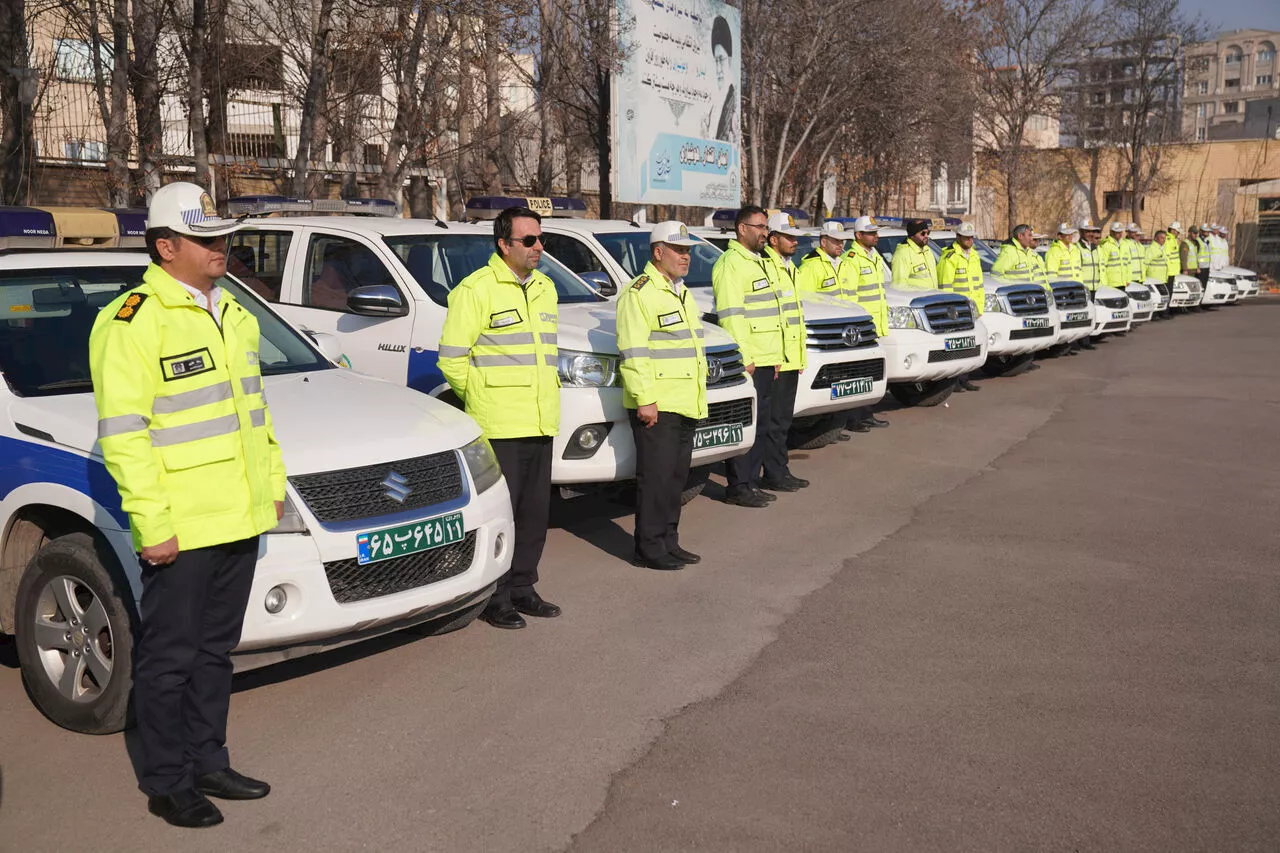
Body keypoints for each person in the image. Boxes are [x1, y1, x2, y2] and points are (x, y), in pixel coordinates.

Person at [89, 182, 284, 828]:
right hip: (182, 527)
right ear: (166, 246)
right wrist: (154, 524)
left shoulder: (237, 314)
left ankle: (209, 759)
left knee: (215, 652)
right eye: (206, 238)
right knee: (170, 657)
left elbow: (254, 416)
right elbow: (126, 437)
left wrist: (273, 485)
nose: (220, 246)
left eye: (222, 236)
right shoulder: (133, 320)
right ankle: (167, 779)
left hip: (239, 516)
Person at [439, 206, 561, 629]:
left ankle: (525, 586)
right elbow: (452, 359)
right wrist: (481, 400)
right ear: (504, 244)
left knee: (534, 513)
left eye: (540, 239)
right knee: (502, 516)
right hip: (500, 424)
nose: (538, 247)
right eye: (528, 241)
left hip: (541, 419)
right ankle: (498, 596)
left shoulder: (546, 288)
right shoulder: (476, 290)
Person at [615, 222, 708, 571]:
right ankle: (649, 547)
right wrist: (645, 399)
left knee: (674, 479)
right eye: (679, 250)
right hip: (659, 403)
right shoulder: (639, 293)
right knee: (655, 480)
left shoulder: (680, 291)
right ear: (658, 252)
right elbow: (633, 350)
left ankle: (669, 540)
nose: (686, 257)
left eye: (688, 251)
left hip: (685, 399)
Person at [711, 206, 789, 507]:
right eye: (759, 226)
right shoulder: (731, 264)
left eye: (766, 226)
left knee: (762, 424)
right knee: (747, 424)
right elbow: (732, 316)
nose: (765, 232)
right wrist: (745, 357)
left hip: (769, 357)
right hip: (751, 360)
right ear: (742, 229)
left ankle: (751, 482)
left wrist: (777, 355)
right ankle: (739, 486)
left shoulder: (758, 261)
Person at [758, 212, 810, 486]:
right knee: (774, 422)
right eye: (789, 238)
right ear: (773, 239)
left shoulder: (791, 268)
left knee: (783, 420)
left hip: (791, 357)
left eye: (795, 238)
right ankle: (774, 474)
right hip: (777, 357)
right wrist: (777, 357)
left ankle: (781, 468)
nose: (794, 242)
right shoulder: (766, 267)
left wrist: (799, 355)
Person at [846, 216, 891, 430]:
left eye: (876, 232)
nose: (876, 236)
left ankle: (867, 414)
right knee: (858, 374)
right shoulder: (852, 259)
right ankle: (854, 418)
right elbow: (851, 298)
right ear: (858, 235)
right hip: (862, 328)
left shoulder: (874, 256)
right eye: (871, 233)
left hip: (875, 325)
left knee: (870, 373)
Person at [936, 221, 984, 390]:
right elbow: (945, 286)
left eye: (971, 237)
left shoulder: (975, 255)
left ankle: (964, 378)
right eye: (966, 237)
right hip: (956, 311)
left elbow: (979, 284)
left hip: (972, 309)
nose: (970, 240)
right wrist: (949, 310)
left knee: (969, 344)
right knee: (955, 346)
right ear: (958, 237)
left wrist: (980, 306)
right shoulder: (950, 256)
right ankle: (953, 381)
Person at [796, 220, 858, 301]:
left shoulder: (845, 265)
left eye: (842, 241)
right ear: (823, 242)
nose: (840, 245)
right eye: (836, 240)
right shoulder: (810, 268)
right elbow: (805, 302)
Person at [703, 16, 739, 143]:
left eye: (721, 59)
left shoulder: (732, 101)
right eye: (715, 61)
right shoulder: (715, 102)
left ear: (729, 59)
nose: (718, 69)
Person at [1075, 220, 1101, 349]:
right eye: (1087, 231)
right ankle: (1077, 342)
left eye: (1092, 231)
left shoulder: (1095, 248)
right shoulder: (1078, 248)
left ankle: (1086, 341)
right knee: (1081, 315)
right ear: (1081, 232)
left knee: (1090, 315)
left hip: (1094, 287)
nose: (1090, 234)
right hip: (1083, 288)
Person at [891, 218, 936, 289]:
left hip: (932, 298)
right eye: (923, 233)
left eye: (928, 233)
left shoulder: (927, 250)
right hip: (917, 299)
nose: (926, 236)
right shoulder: (902, 254)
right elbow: (899, 286)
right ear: (912, 235)